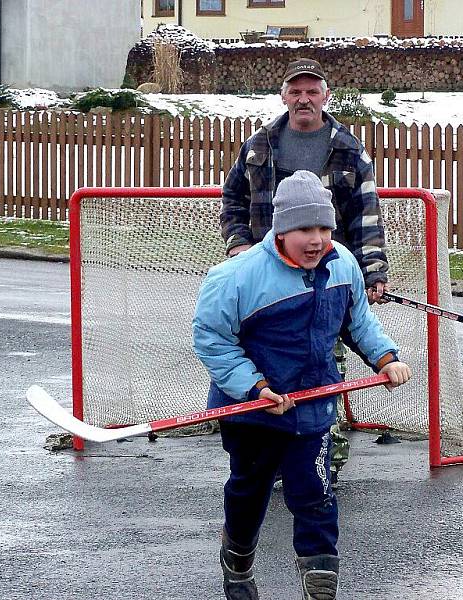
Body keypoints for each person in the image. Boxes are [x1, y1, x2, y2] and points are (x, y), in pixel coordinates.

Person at [193, 171, 411, 600]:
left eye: (324, 228)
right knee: (249, 490)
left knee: (315, 496)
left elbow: (357, 322)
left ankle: (320, 591)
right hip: (251, 412)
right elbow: (211, 340)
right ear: (281, 228)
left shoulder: (342, 263)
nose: (316, 239)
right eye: (304, 229)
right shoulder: (236, 277)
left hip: (312, 407)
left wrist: (386, 357)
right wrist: (255, 388)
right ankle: (237, 565)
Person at [220, 57, 390, 481]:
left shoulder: (349, 149)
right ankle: (269, 458)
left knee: (321, 367)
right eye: (295, 92)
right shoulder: (259, 145)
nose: (303, 99)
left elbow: (366, 215)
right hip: (265, 280)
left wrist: (371, 271)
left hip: (327, 279)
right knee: (267, 367)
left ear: (325, 96)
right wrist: (239, 245)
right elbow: (233, 199)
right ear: (283, 97)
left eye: (312, 91)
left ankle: (322, 462)